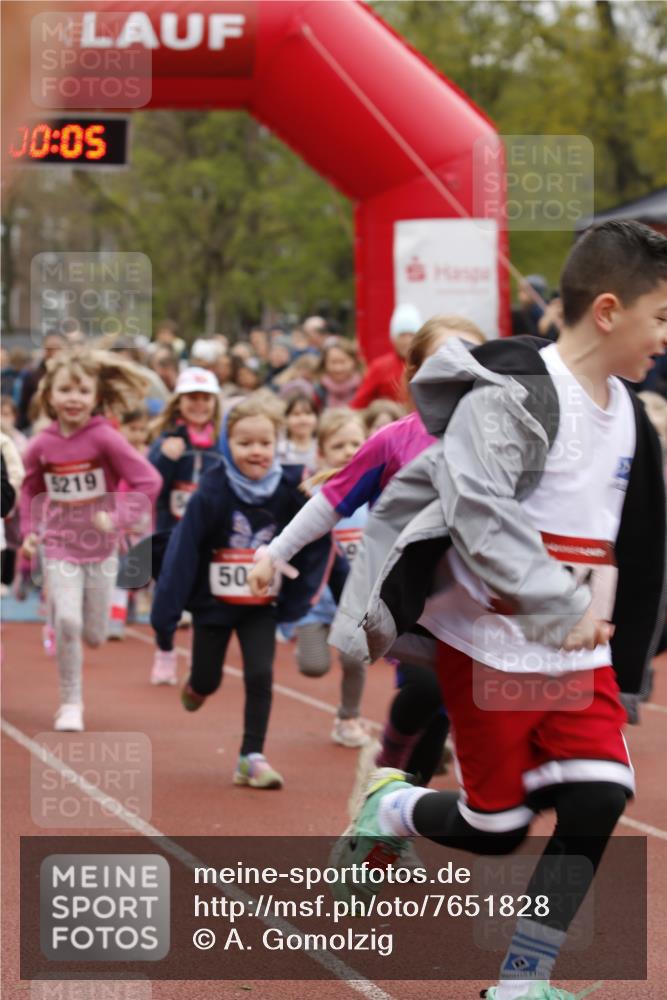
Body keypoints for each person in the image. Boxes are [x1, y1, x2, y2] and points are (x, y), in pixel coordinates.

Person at [330, 220, 667, 1000]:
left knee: (599, 795)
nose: (665, 337)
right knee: (496, 827)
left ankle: (523, 979)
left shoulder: (630, 418)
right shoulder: (514, 393)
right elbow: (478, 511)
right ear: (609, 311)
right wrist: (552, 599)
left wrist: (627, 662)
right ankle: (396, 805)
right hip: (487, 643)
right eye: (661, 318)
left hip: (575, 653)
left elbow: (637, 542)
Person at [249, 315, 486, 783]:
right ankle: (389, 758)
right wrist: (273, 554)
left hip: (473, 602)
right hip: (407, 598)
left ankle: (390, 808)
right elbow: (330, 503)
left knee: (440, 715)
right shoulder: (394, 440)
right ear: (415, 373)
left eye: (473, 361)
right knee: (426, 686)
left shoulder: (500, 442)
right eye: (445, 360)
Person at [150, 392, 331, 789]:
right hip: (213, 604)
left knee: (261, 673)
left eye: (265, 443)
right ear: (226, 446)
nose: (256, 452)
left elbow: (319, 535)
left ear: (277, 444)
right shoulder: (211, 492)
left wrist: (307, 596)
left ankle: (252, 755)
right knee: (208, 679)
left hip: (260, 603)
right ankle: (197, 686)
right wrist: (165, 615)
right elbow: (183, 551)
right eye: (245, 443)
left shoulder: (290, 489)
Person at [19, 348, 161, 732]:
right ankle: (70, 703)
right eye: (65, 390)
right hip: (60, 543)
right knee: (68, 620)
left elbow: (150, 480)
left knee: (95, 635)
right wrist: (31, 532)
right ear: (50, 396)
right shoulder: (41, 445)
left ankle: (75, 620)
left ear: (96, 397)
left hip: (101, 549)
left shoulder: (105, 439)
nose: (73, 398)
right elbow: (29, 487)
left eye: (82, 391)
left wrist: (116, 516)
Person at [289, 408, 369, 747]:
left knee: (354, 660)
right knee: (313, 667)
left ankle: (348, 717)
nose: (349, 451)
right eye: (339, 446)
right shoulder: (313, 496)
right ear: (321, 453)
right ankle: (305, 643)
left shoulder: (375, 492)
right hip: (316, 600)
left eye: (356, 443)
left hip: (356, 601)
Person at [147, 367, 223, 683]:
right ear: (179, 401)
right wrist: (164, 459)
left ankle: (198, 657)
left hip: (208, 537)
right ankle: (165, 650)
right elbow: (148, 487)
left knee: (205, 600)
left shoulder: (223, 444)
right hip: (169, 535)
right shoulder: (166, 441)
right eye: (192, 397)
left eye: (205, 398)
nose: (198, 404)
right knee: (167, 601)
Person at [351, 303, 421, 408]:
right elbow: (358, 404)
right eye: (402, 335)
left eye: (411, 335)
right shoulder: (380, 367)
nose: (407, 341)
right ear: (393, 338)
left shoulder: (426, 363)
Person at [277, 393, 318, 473]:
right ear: (286, 418)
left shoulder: (323, 448)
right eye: (296, 414)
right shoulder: (279, 450)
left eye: (308, 413)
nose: (303, 419)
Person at [316, 340, 363, 409]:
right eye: (333, 362)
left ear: (354, 362)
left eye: (343, 362)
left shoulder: (363, 387)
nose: (338, 368)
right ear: (325, 364)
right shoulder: (319, 390)